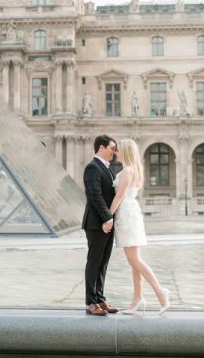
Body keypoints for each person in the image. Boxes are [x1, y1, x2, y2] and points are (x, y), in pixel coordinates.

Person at [109, 138, 171, 315]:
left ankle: (160, 291)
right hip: (130, 213)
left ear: (126, 151)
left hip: (127, 214)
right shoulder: (132, 170)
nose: (116, 152)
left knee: (134, 260)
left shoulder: (127, 171)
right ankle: (137, 298)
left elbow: (119, 196)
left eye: (118, 150)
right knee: (134, 260)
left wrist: (107, 216)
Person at [82, 135, 119, 316]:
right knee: (94, 262)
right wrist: (107, 218)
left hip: (107, 222)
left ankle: (100, 298)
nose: (114, 152)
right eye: (112, 148)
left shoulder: (107, 169)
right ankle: (90, 302)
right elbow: (94, 195)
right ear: (101, 148)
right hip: (97, 223)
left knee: (103, 263)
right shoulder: (92, 167)